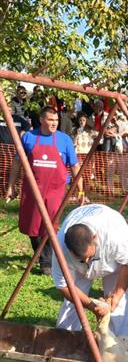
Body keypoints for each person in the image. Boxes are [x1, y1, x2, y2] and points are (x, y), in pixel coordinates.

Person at [5, 106, 85, 275]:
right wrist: (11, 187)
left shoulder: (64, 140)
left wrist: (81, 191)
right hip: (32, 190)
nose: (54, 123)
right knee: (32, 225)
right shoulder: (28, 137)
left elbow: (75, 166)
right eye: (50, 120)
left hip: (55, 191)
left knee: (50, 225)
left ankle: (46, 261)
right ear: (41, 120)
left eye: (56, 120)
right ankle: (39, 251)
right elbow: (17, 163)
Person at [52, 204, 128, 336]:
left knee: (118, 306)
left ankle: (117, 343)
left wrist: (116, 296)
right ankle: (66, 339)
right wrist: (91, 305)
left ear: (94, 238)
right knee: (74, 304)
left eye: (89, 256)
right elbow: (63, 285)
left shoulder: (116, 236)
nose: (87, 262)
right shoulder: (60, 248)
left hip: (111, 260)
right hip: (76, 267)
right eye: (81, 259)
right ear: (69, 249)